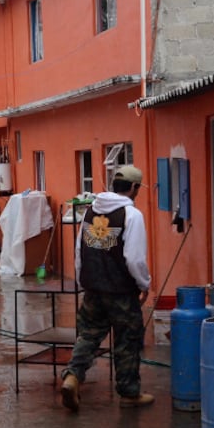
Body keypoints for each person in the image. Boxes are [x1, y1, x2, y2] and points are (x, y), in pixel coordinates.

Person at [59, 164, 153, 412]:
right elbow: (134, 258)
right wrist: (144, 284)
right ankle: (129, 393)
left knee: (88, 335)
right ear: (134, 188)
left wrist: (82, 281)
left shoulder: (90, 211)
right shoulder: (132, 216)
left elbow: (80, 251)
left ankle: (72, 377)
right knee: (127, 339)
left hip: (93, 287)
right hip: (120, 290)